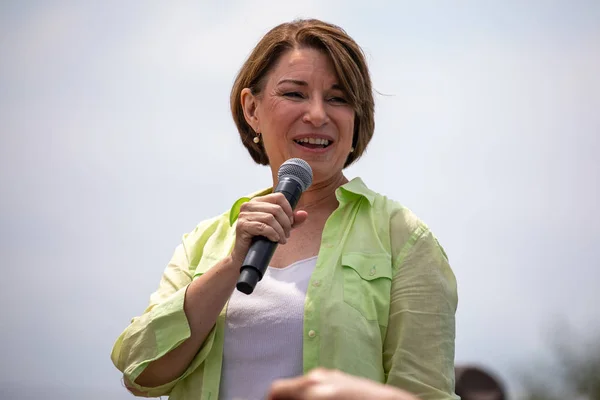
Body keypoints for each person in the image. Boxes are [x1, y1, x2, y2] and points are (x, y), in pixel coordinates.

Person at [110, 18, 459, 400]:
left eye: (338, 99)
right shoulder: (206, 241)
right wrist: (230, 265)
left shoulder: (404, 239)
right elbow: (140, 371)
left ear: (357, 119)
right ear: (252, 108)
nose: (317, 114)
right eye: (294, 94)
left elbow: (427, 394)